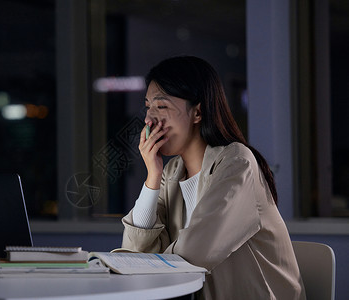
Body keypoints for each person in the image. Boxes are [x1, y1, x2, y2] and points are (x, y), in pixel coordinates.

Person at [121, 56, 305, 299]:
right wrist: (152, 177)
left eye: (162, 106)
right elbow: (133, 254)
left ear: (198, 112)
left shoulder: (237, 163)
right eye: (148, 106)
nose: (148, 119)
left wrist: (142, 266)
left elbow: (191, 257)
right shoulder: (171, 172)